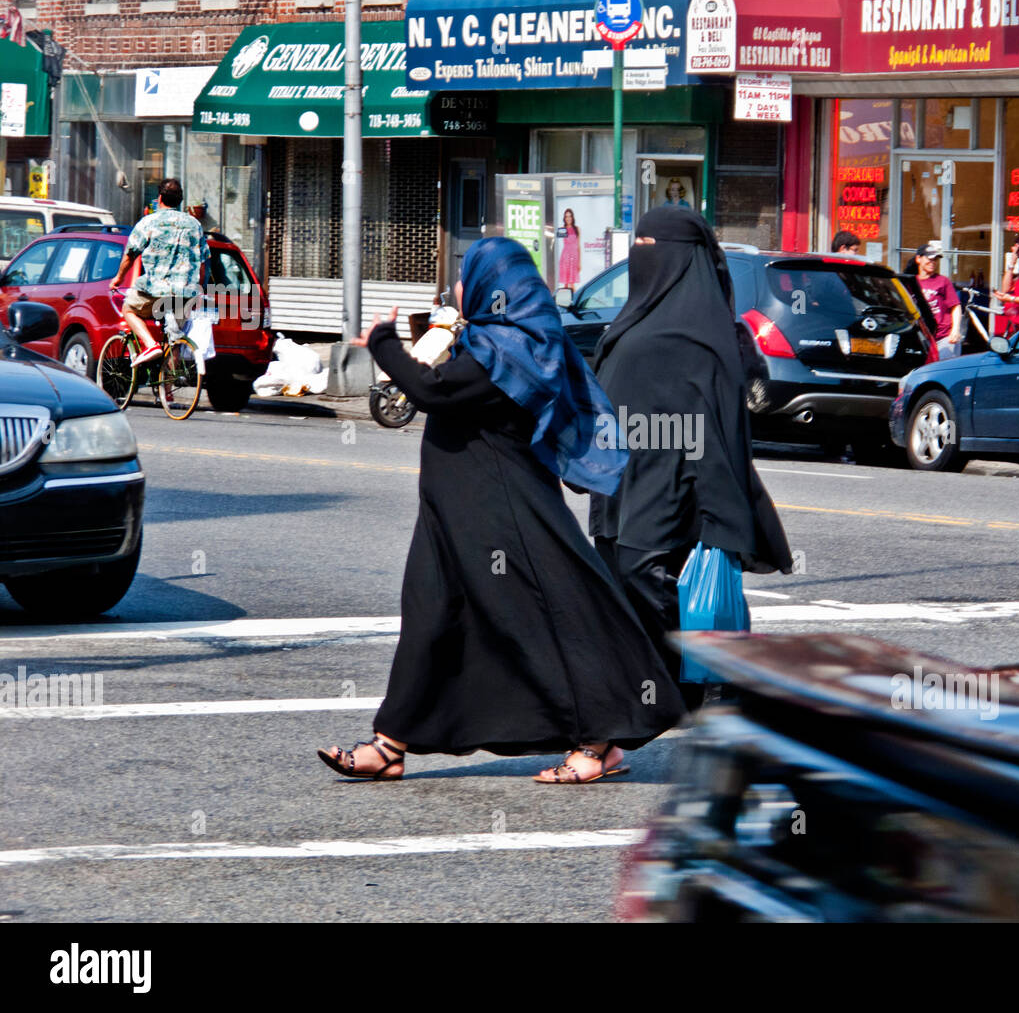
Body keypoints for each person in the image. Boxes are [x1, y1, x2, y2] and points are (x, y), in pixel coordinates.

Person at [318, 236, 685, 784]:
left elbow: (436, 393)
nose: (458, 287)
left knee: (554, 615)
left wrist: (384, 341)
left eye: (465, 277)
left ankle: (598, 742)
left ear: (494, 288)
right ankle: (390, 744)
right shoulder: (495, 340)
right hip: (451, 514)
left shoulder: (514, 349)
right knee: (430, 617)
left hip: (501, 512)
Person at [588, 207, 793, 706]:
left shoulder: (707, 335)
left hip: (674, 480)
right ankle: (659, 687)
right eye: (638, 244)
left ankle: (685, 684)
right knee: (617, 576)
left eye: (652, 246)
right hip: (623, 478)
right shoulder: (639, 313)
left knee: (645, 574)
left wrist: (721, 508)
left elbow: (722, 428)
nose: (642, 255)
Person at [108, 177, 208, 368]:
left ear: (159, 197)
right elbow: (202, 263)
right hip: (185, 292)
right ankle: (168, 393)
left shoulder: (148, 222)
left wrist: (118, 278)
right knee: (174, 338)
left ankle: (150, 345)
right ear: (180, 201)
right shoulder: (194, 225)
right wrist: (198, 290)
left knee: (129, 310)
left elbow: (131, 254)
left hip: (155, 290)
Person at [913, 243, 962, 359]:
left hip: (943, 337)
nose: (933, 262)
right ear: (918, 259)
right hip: (921, 338)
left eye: (935, 259)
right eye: (929, 258)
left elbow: (955, 306)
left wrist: (955, 329)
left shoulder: (943, 281)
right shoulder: (911, 282)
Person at [557, 207, 580, 291]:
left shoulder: (577, 229)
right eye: (566, 216)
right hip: (565, 257)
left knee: (572, 282)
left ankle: (575, 298)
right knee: (566, 283)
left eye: (570, 216)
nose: (568, 218)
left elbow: (578, 246)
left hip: (574, 257)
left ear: (572, 217)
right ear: (564, 218)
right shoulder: (562, 229)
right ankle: (565, 300)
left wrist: (579, 262)